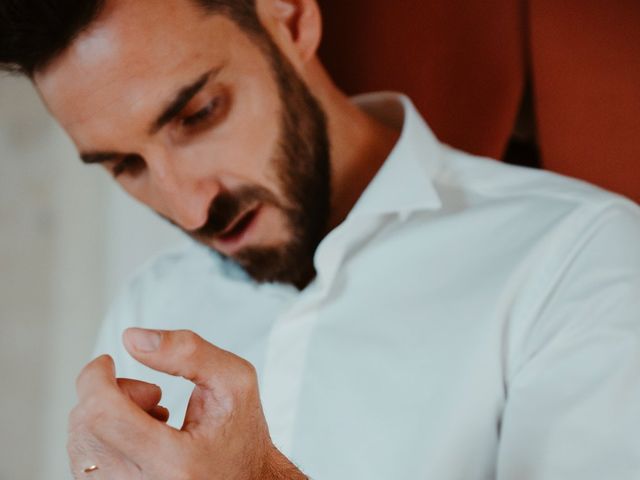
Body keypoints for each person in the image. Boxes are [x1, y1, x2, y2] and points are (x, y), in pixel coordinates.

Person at [2, 0, 639, 478]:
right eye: (125, 165)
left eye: (198, 115)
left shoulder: (577, 257)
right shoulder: (147, 306)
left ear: (292, 19)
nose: (190, 210)